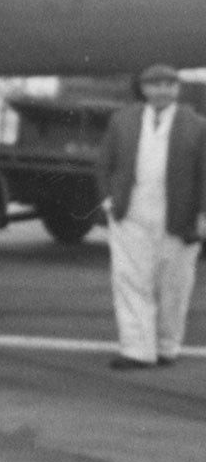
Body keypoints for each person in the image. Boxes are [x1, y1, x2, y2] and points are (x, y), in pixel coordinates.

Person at [95, 63, 205, 370]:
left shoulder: (197, 125)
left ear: (177, 89)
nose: (161, 91)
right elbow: (104, 164)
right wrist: (108, 200)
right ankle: (136, 349)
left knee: (175, 285)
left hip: (179, 216)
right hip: (131, 212)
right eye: (154, 85)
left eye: (168, 85)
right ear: (143, 89)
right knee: (130, 280)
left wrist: (203, 215)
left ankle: (167, 346)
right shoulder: (123, 121)